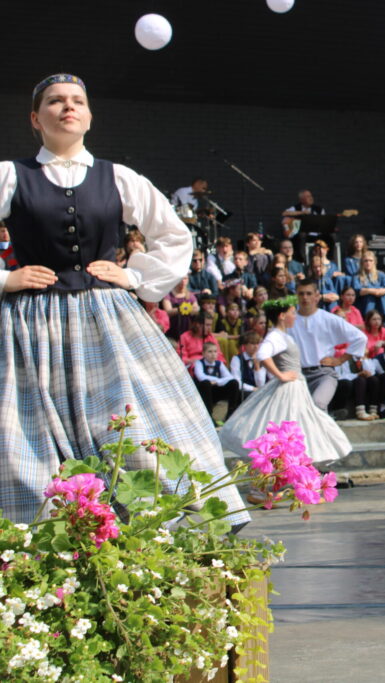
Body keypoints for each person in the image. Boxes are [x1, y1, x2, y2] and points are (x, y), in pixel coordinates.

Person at [0, 75, 245, 526]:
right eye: (55, 101)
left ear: (89, 116)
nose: (68, 107)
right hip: (33, 322)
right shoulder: (11, 176)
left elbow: (174, 235)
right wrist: (6, 279)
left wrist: (133, 275)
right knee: (29, 436)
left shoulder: (118, 177)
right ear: (35, 118)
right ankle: (46, 538)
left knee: (129, 424)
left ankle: (149, 530)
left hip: (106, 318)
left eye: (77, 101)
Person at [219, 296, 353, 465]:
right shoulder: (276, 336)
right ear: (282, 316)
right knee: (292, 421)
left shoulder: (284, 335)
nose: (295, 316)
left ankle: (298, 462)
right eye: (292, 313)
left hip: (296, 386)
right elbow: (262, 355)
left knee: (303, 421)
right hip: (289, 386)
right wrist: (280, 375)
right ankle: (290, 463)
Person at [290, 280, 367, 412]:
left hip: (323, 374)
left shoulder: (328, 318)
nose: (305, 297)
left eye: (309, 293)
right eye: (301, 294)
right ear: (296, 296)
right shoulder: (289, 320)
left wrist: (340, 360)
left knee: (318, 405)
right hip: (297, 375)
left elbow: (360, 338)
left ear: (317, 296)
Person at [193, 341, 241, 419]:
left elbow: (230, 377)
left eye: (215, 351)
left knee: (234, 383)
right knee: (206, 383)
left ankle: (231, 413)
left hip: (216, 390)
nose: (213, 354)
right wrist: (219, 381)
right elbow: (201, 377)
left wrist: (217, 382)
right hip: (203, 392)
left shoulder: (219, 364)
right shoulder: (199, 363)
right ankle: (209, 414)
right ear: (203, 354)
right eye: (210, 352)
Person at [353, 249, 385, 328]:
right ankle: (368, 319)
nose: (368, 263)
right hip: (364, 303)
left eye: (370, 260)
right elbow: (359, 291)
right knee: (370, 297)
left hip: (379, 301)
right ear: (362, 262)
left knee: (383, 296)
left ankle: (382, 320)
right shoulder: (357, 276)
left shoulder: (381, 274)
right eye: (366, 261)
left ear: (374, 262)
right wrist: (374, 291)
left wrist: (380, 291)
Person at [230, 331, 267, 401]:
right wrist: (252, 388)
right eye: (252, 343)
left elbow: (261, 384)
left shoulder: (262, 359)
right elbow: (237, 382)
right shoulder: (237, 359)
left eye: (257, 343)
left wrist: (257, 367)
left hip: (258, 392)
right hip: (244, 392)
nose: (256, 346)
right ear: (245, 345)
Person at [162, 275, 198, 340]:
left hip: (186, 331)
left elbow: (196, 309)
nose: (183, 281)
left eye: (185, 279)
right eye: (180, 279)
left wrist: (189, 309)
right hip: (172, 330)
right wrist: (181, 309)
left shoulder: (190, 295)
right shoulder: (168, 294)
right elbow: (167, 312)